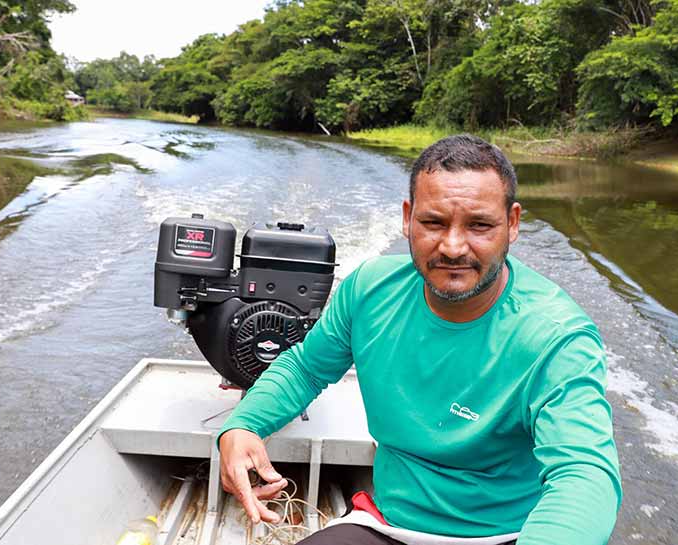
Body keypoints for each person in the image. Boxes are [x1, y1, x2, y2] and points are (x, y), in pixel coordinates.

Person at [217, 134, 622, 545]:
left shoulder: (557, 336)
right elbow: (305, 368)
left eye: (479, 225)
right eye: (433, 223)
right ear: (408, 218)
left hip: (508, 536)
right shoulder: (371, 290)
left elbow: (584, 474)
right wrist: (244, 425)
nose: (452, 246)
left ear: (512, 224)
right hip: (391, 525)